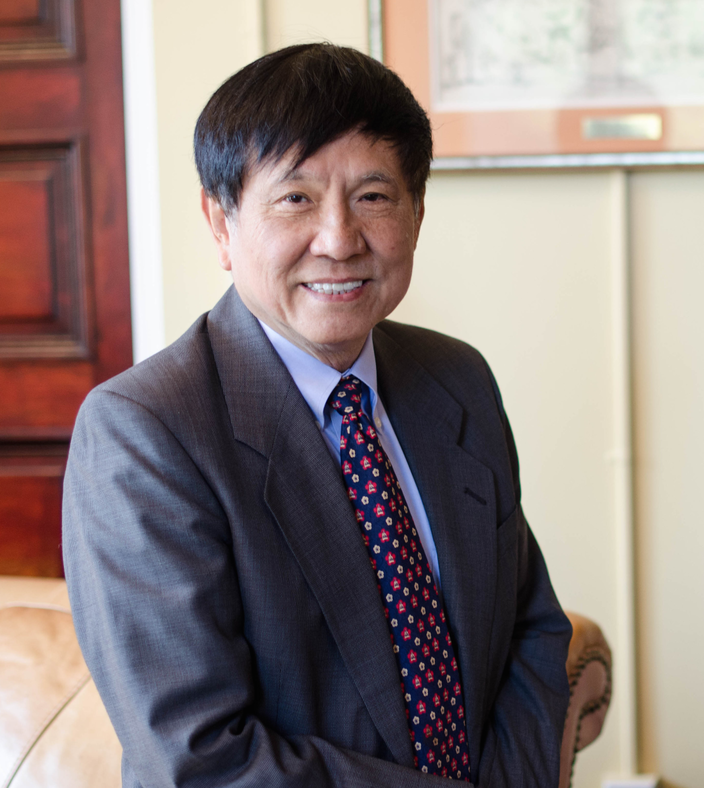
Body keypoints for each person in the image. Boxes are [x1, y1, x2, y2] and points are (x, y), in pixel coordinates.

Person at [63, 43, 571, 787]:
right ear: (221, 222)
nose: (338, 240)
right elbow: (201, 760)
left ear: (417, 214)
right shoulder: (145, 433)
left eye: (374, 197)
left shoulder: (456, 380)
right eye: (296, 199)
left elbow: (532, 632)